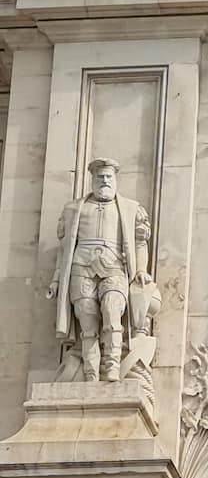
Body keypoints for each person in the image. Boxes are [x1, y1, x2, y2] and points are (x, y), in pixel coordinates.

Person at [47, 158, 152, 382]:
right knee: (87, 317)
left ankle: (112, 365)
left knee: (112, 310)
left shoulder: (131, 209)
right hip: (81, 267)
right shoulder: (73, 209)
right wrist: (57, 279)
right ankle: (91, 370)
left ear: (115, 179)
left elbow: (140, 242)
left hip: (114, 266)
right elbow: (64, 248)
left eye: (108, 177)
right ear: (92, 179)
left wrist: (141, 269)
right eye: (100, 177)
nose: (104, 180)